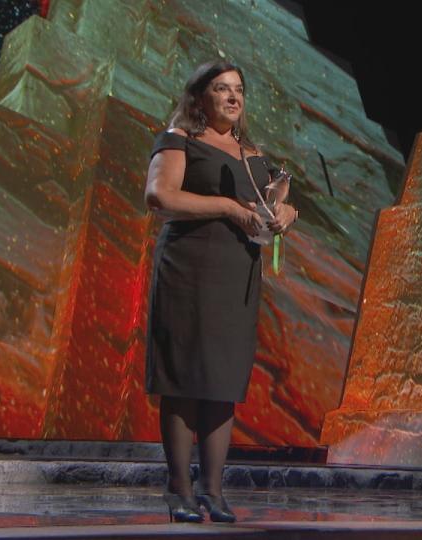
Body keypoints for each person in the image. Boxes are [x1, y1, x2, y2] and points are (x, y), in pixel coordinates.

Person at [143, 61, 297, 523]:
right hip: (189, 270)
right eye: (222, 89)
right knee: (186, 376)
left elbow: (271, 205)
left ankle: (212, 490)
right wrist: (229, 208)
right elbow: (160, 197)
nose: (234, 97)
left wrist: (286, 214)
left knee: (222, 380)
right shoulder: (180, 139)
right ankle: (179, 490)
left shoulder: (253, 153)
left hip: (237, 275)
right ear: (200, 97)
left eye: (239, 90)